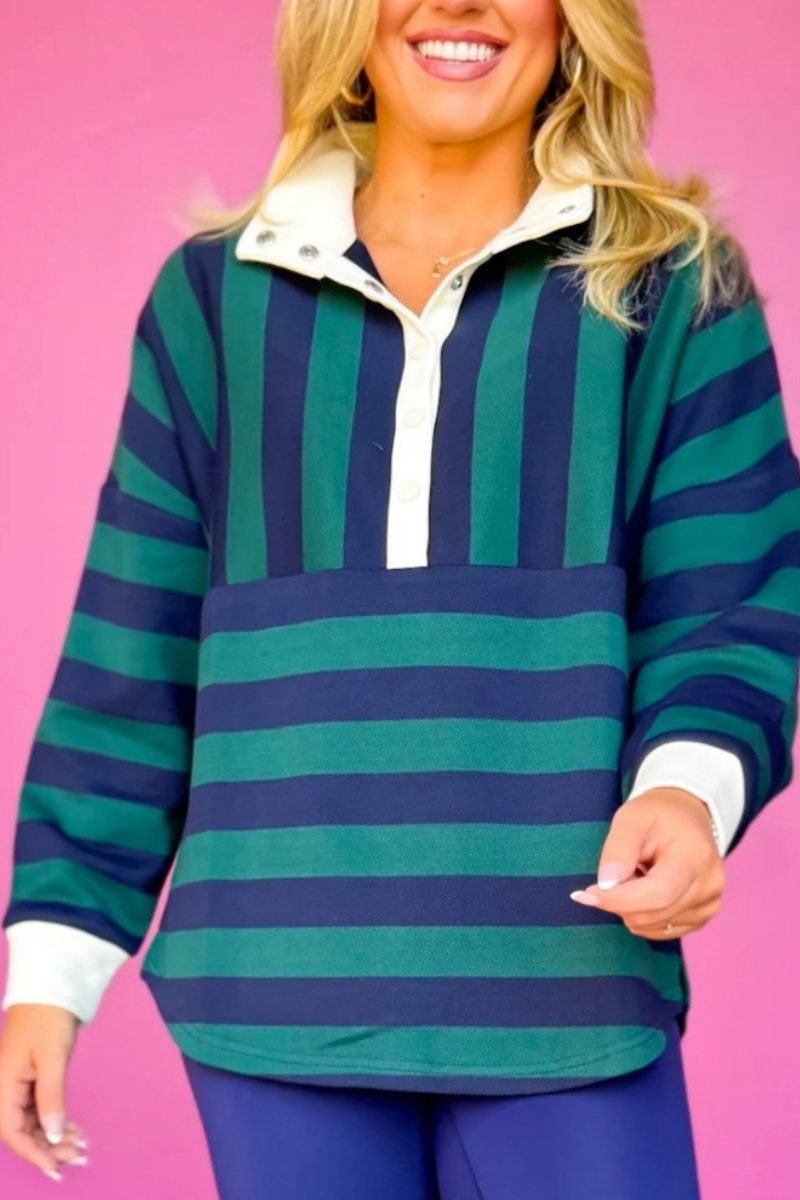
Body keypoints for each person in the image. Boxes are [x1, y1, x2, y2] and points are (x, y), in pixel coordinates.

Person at [1, 0, 799, 1195]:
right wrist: (51, 967)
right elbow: (131, 647)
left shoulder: (673, 291)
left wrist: (686, 790)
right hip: (270, 990)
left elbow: (729, 603)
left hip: (563, 975)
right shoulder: (212, 299)